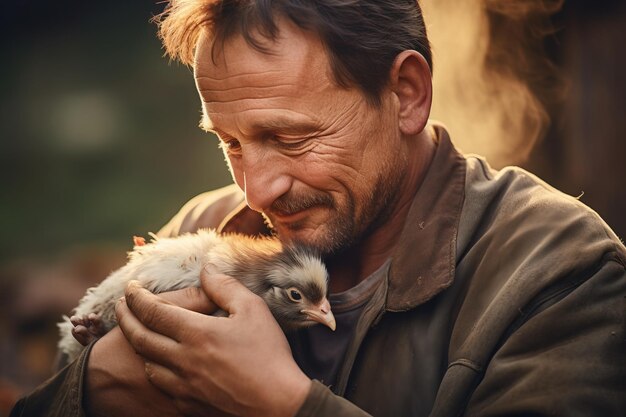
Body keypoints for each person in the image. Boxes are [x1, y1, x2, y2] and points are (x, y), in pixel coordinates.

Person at [11, 1, 626, 416]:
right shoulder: (212, 229)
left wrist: (285, 404)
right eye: (230, 142)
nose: (255, 191)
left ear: (406, 94)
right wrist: (94, 386)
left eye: (291, 139)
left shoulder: (561, 276)